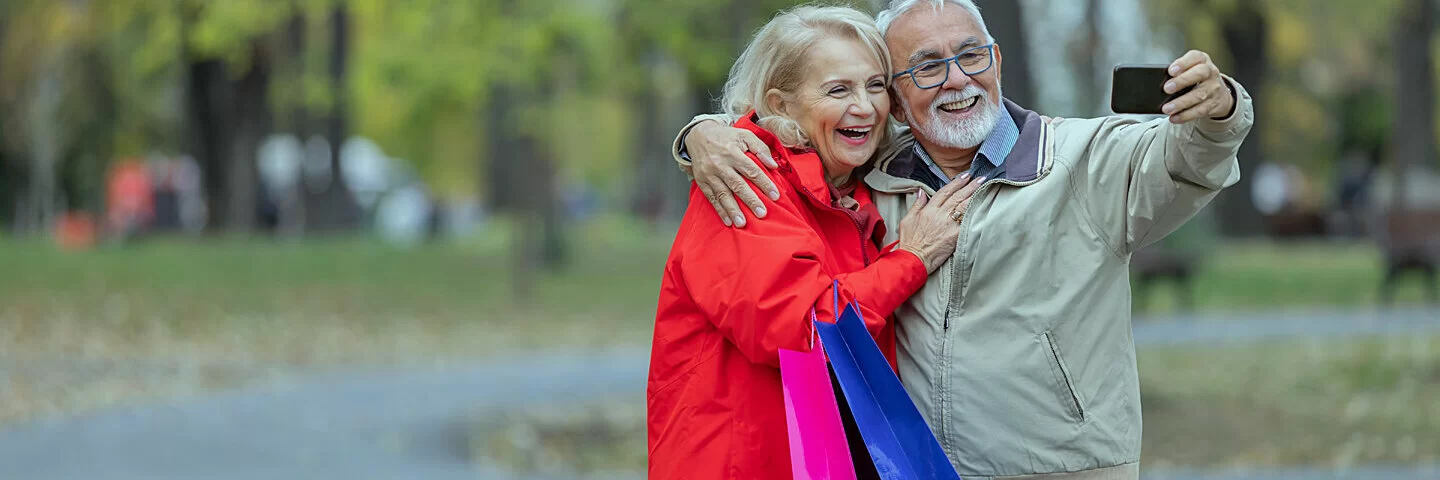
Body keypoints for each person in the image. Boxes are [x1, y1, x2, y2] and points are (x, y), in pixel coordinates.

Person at [672, 1, 1255, 478]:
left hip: (1062, 469)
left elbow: (1184, 160)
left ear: (997, 60)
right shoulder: (869, 179)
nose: (957, 79)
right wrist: (708, 133)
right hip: (916, 468)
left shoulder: (1082, 159)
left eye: (971, 55)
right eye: (926, 66)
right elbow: (792, 146)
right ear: (899, 99)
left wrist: (1218, 109)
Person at [646, 5, 983, 480]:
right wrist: (912, 258)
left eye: (875, 85)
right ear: (781, 105)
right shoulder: (746, 180)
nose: (865, 106)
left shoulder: (852, 185)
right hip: (743, 463)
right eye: (838, 89)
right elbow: (802, 331)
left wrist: (698, 131)